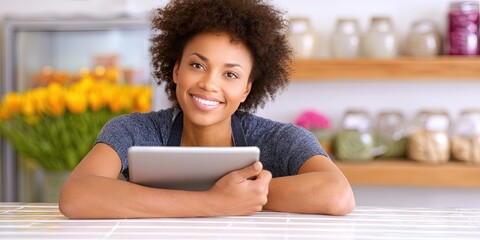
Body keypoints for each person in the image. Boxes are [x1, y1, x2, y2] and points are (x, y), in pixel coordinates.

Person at [59, 0, 355, 218]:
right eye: (197, 65)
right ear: (176, 70)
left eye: (230, 74)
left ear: (246, 89)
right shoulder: (133, 130)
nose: (209, 84)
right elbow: (76, 195)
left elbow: (337, 194)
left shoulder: (279, 139)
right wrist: (214, 201)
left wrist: (243, 196)